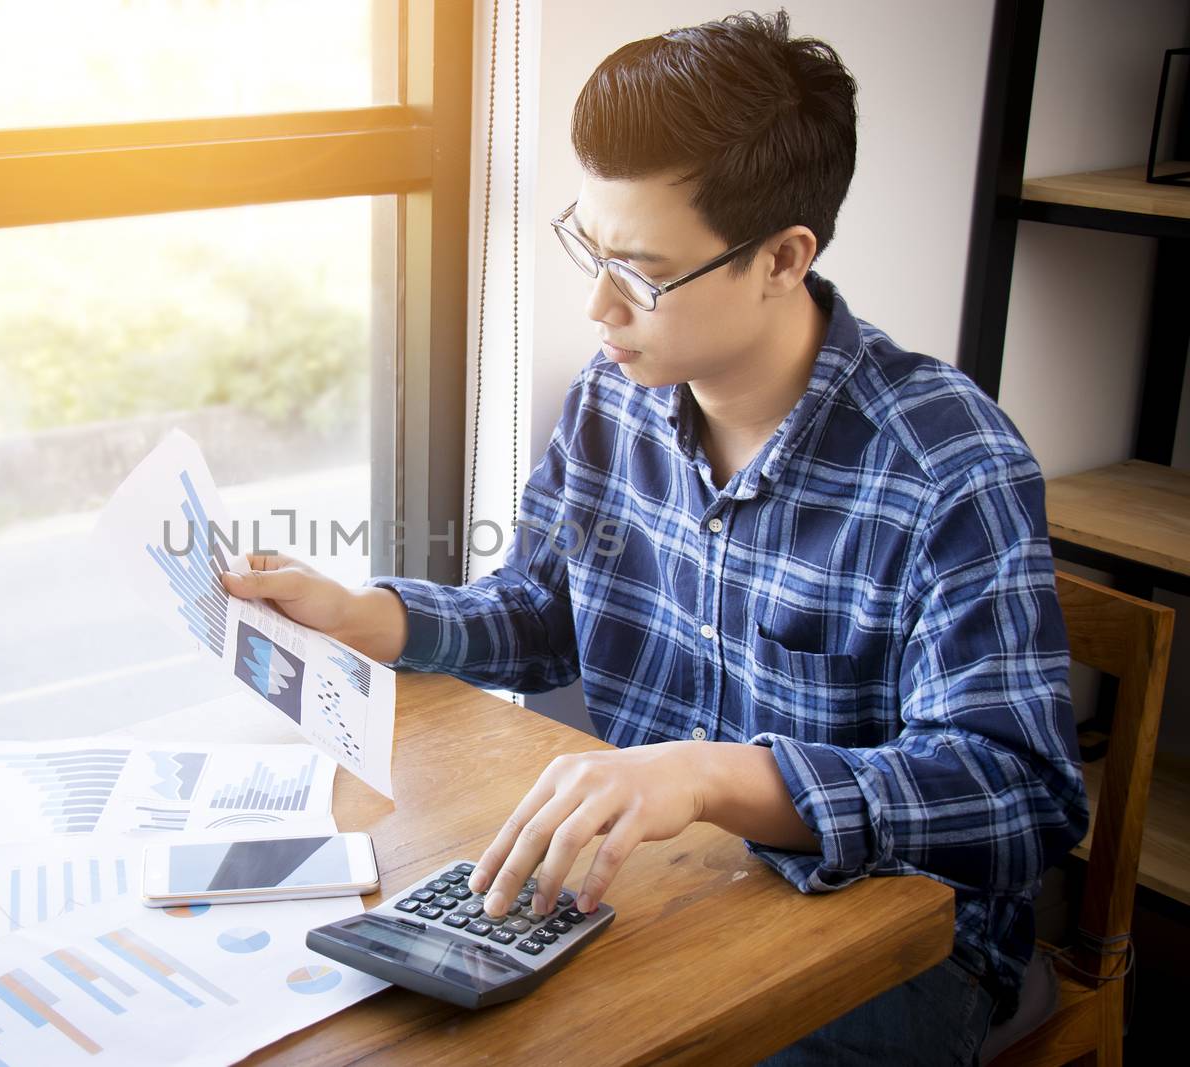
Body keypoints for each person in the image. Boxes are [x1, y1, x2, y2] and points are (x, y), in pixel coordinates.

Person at [219, 10, 1088, 1064]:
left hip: (901, 946)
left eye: (639, 271)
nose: (596, 305)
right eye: (590, 245)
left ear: (781, 255)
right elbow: (544, 610)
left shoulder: (949, 465)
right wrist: (374, 614)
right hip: (665, 884)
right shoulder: (615, 399)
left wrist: (711, 777)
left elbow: (1020, 796)